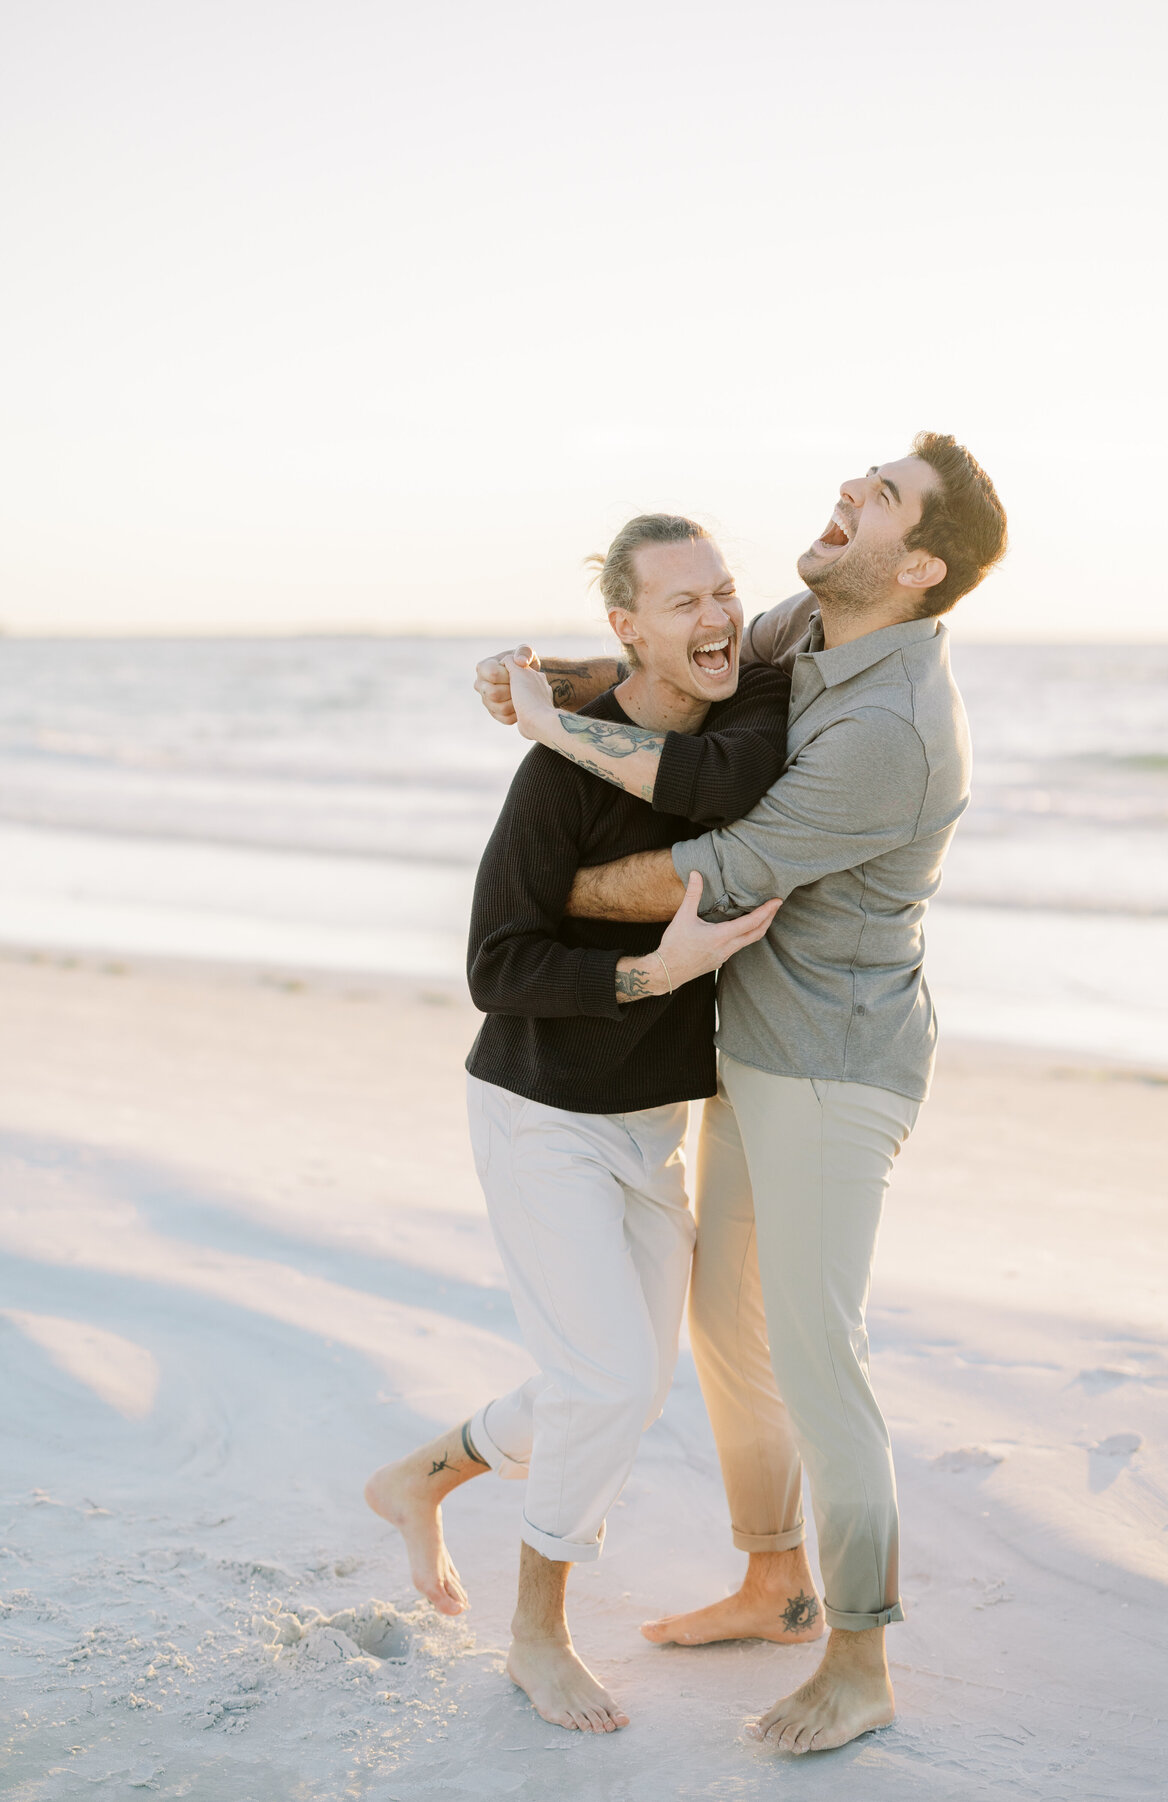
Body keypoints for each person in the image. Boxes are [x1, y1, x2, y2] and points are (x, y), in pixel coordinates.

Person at [473, 432, 1008, 1755]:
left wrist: (569, 898)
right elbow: (693, 665)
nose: (846, 492)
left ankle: (861, 1652)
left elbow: (729, 860)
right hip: (754, 1046)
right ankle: (774, 1580)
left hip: (833, 1066)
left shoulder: (893, 724)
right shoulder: (812, 621)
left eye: (878, 496)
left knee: (820, 1356)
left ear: (921, 562)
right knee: (725, 1327)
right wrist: (567, 674)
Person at [365, 513, 793, 1733]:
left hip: (649, 1119)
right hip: (537, 1107)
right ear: (628, 624)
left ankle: (421, 1473)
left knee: (619, 1379)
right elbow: (496, 962)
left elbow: (720, 775)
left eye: (722, 592)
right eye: (680, 603)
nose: (713, 618)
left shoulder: (752, 717)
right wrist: (650, 973)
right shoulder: (555, 772)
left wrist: (551, 684)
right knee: (605, 1374)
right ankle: (535, 1633)